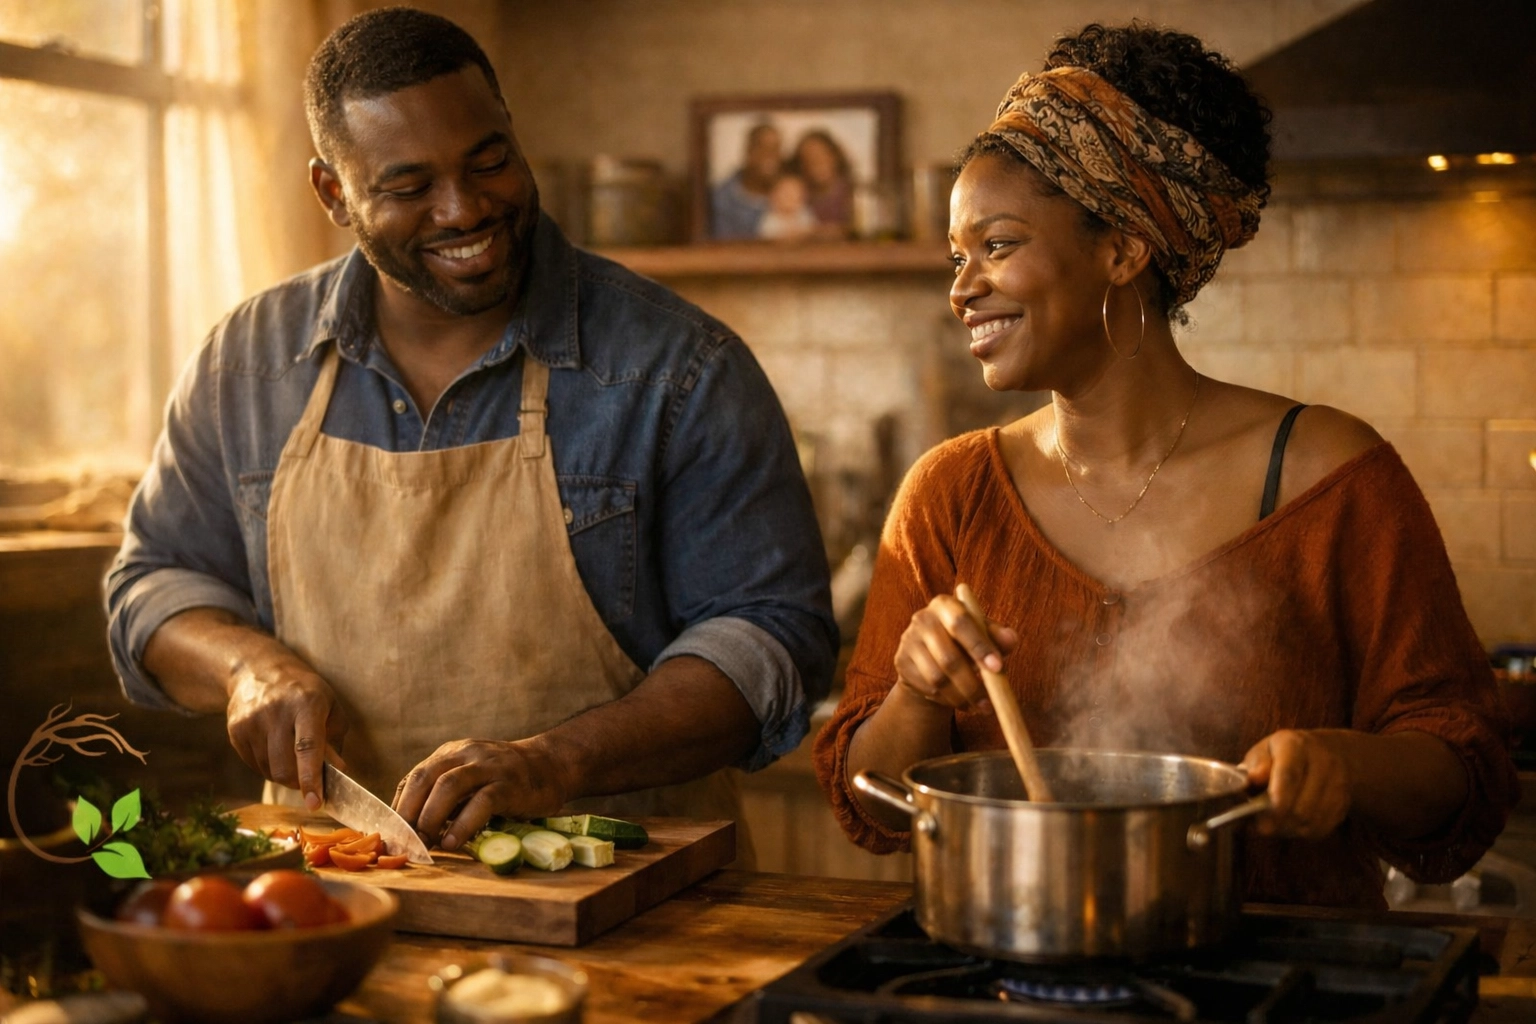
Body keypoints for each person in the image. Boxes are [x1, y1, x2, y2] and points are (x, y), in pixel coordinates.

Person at [812, 23, 1516, 908]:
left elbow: (1469, 772)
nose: (961, 287)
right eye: (957, 257)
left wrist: (1345, 764)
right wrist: (915, 692)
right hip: (1008, 974)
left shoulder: (1330, 478)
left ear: (1122, 249)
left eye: (996, 245)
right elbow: (872, 808)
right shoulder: (949, 494)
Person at [105, 7, 836, 858]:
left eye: (488, 162)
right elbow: (152, 585)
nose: (464, 210)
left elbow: (772, 641)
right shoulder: (249, 364)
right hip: (331, 895)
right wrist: (245, 668)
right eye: (410, 188)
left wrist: (555, 763)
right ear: (333, 194)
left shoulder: (679, 368)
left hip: (637, 901)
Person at [711, 122, 782, 239]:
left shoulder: (788, 191)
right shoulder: (722, 198)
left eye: (776, 149)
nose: (771, 156)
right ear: (749, 151)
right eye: (764, 148)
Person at [787, 129, 854, 238]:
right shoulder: (797, 196)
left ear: (834, 156)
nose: (815, 163)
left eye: (820, 155)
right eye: (807, 159)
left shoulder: (853, 192)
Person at [757, 173, 819, 241]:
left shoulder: (804, 215)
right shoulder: (770, 220)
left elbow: (813, 234)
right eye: (786, 194)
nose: (791, 198)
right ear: (774, 197)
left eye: (796, 194)